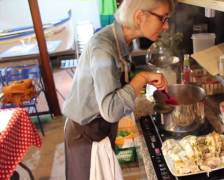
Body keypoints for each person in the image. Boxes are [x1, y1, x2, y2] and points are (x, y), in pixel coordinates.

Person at [62, 0, 174, 179]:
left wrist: (142, 76)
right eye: (163, 18)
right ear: (139, 16)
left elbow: (114, 79)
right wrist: (142, 78)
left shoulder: (120, 39)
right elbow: (111, 110)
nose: (166, 26)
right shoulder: (104, 48)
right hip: (86, 134)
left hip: (97, 128)